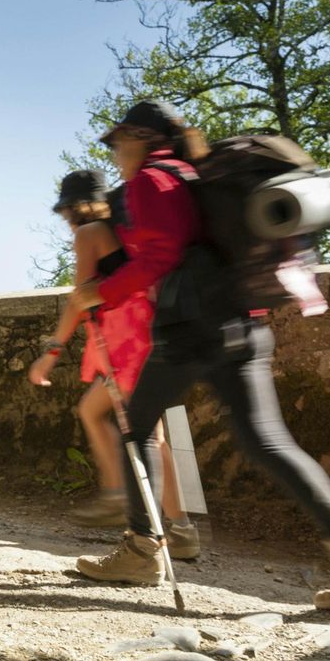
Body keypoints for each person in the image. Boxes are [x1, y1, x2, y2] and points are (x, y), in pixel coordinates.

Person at [70, 100, 330, 609]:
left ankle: (141, 551)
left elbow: (162, 254)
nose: (114, 154)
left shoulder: (153, 180)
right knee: (267, 439)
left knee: (134, 430)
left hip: (189, 326)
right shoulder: (197, 174)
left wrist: (101, 293)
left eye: (117, 142)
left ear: (139, 137)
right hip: (243, 321)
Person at [30, 170, 200, 559]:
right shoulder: (124, 233)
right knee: (97, 411)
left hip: (127, 343)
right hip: (148, 332)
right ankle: (173, 524)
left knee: (150, 435)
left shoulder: (88, 234)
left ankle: (140, 507)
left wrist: (51, 353)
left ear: (72, 207)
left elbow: (81, 298)